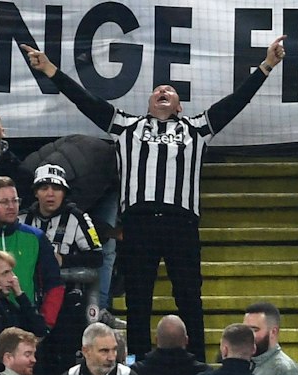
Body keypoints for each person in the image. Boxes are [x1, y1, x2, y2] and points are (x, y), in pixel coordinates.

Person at [19, 33, 283, 347]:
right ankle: (142, 366)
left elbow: (236, 101)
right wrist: (51, 71)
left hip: (180, 223)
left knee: (189, 297)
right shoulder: (126, 126)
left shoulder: (196, 128)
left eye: (169, 90)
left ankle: (194, 362)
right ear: (148, 102)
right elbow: (85, 101)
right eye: (157, 89)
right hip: (139, 223)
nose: (163, 90)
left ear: (179, 106)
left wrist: (266, 65)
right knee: (139, 299)